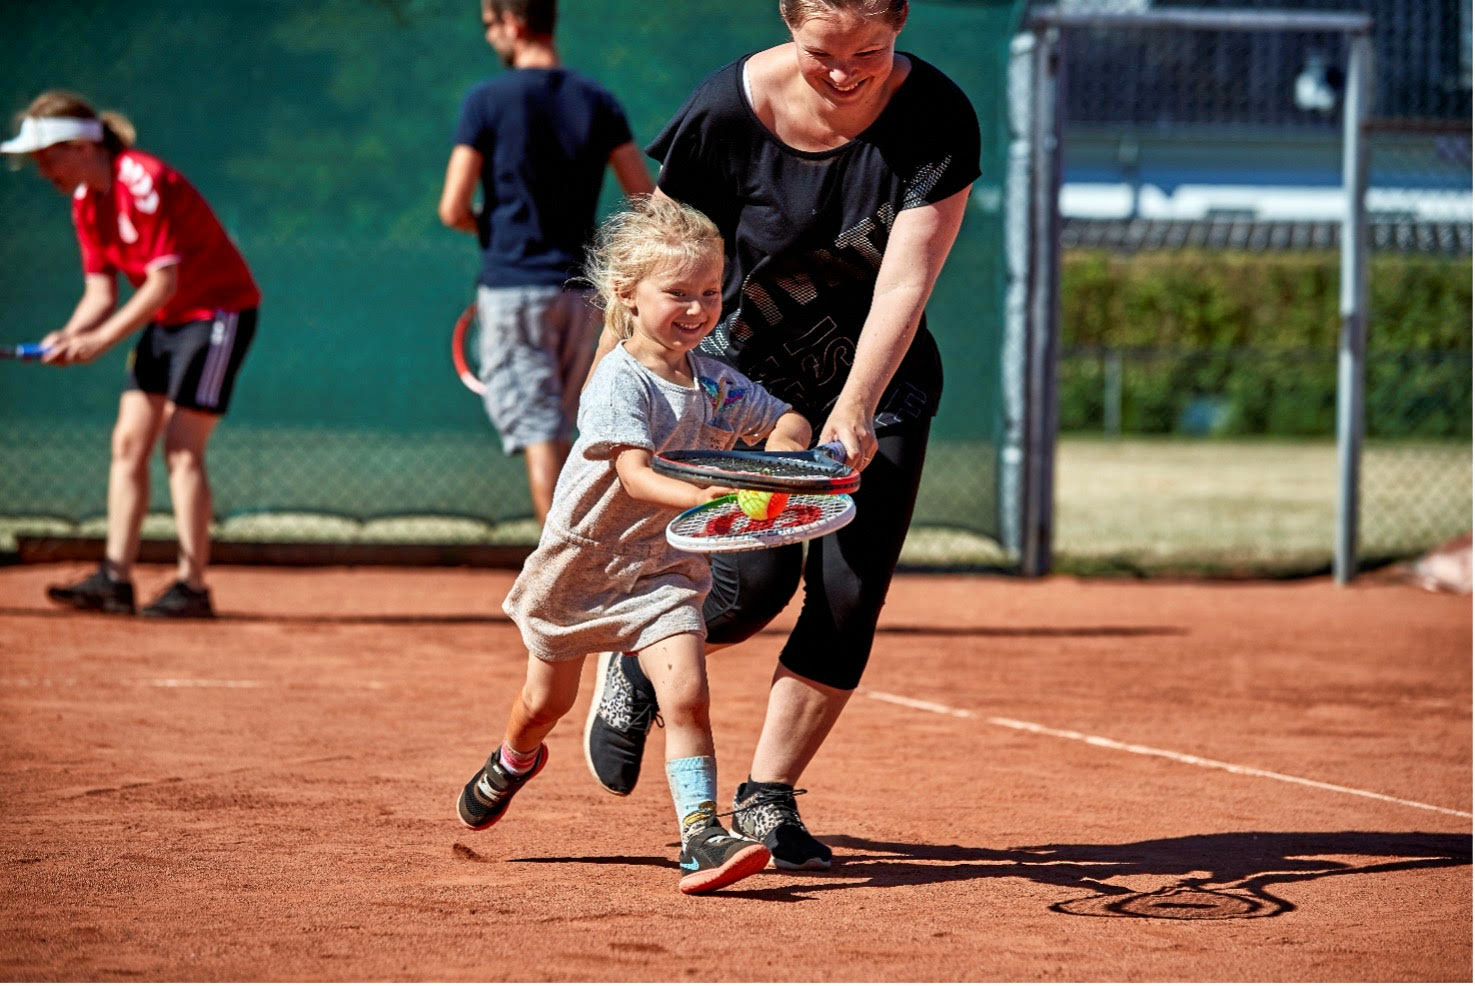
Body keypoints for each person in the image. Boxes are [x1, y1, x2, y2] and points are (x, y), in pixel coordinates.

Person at [582, 0, 980, 870]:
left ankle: (767, 797)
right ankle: (636, 667)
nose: (843, 73)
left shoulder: (937, 116)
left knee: (848, 594)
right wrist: (612, 400)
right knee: (748, 590)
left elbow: (904, 282)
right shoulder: (725, 111)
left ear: (902, 22)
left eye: (868, 51)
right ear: (787, 24)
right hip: (741, 386)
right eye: (820, 52)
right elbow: (656, 261)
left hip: (879, 379)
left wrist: (856, 404)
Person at [454, 196, 813, 894]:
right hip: (581, 565)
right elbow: (635, 476)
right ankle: (514, 760)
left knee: (688, 697)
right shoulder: (619, 380)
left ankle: (700, 837)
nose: (697, 308)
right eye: (677, 293)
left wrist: (782, 461)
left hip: (665, 569)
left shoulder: (714, 382)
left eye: (710, 292)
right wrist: (721, 498)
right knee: (543, 706)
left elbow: (786, 420)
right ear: (626, 294)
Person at [2, 91, 260, 619]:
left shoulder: (141, 179)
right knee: (127, 442)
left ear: (81, 147)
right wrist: (68, 335)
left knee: (182, 447)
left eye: (48, 158)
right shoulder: (85, 203)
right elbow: (100, 292)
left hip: (217, 313)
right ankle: (114, 580)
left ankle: (192, 587)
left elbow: (162, 282)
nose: (43, 171)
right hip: (166, 318)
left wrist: (99, 342)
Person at [438, 0, 655, 525]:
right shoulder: (598, 100)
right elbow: (645, 200)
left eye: (490, 26)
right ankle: (587, 556)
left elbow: (452, 208)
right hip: (585, 294)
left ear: (513, 25)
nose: (489, 36)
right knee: (576, 428)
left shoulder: (485, 100)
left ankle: (557, 561)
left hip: (514, 290)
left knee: (539, 432)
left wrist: (491, 226)